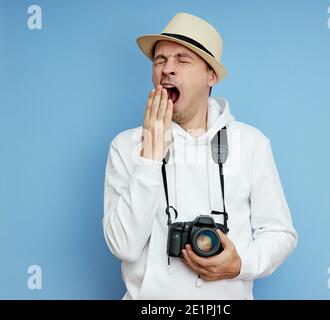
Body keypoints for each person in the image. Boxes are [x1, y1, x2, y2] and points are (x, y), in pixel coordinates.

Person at [103, 12, 298, 300]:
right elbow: (123, 246)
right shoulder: (126, 145)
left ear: (212, 76)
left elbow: (281, 234)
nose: (167, 69)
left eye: (182, 60)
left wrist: (240, 264)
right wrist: (150, 157)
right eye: (160, 60)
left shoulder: (251, 143)